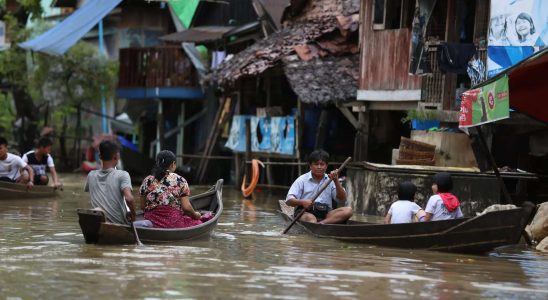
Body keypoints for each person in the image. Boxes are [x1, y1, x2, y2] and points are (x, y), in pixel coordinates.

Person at [285, 149, 353, 224]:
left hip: (326, 214)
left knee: (348, 210)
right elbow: (288, 201)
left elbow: (342, 199)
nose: (319, 167)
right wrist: (302, 202)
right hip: (305, 213)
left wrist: (336, 181)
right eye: (316, 164)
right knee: (311, 219)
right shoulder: (302, 180)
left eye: (322, 164)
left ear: (326, 166)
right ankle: (318, 224)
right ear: (310, 166)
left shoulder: (331, 180)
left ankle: (322, 223)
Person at [139, 150, 204, 228]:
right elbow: (186, 208)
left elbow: (143, 206)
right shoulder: (180, 180)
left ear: (157, 163)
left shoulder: (147, 180)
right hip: (173, 223)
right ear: (173, 164)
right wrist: (196, 215)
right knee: (199, 223)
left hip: (152, 221)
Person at [84, 141, 136, 224]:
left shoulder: (91, 175)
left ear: (100, 156)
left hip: (98, 223)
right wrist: (133, 214)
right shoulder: (123, 175)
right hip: (119, 224)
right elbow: (129, 199)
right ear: (116, 157)